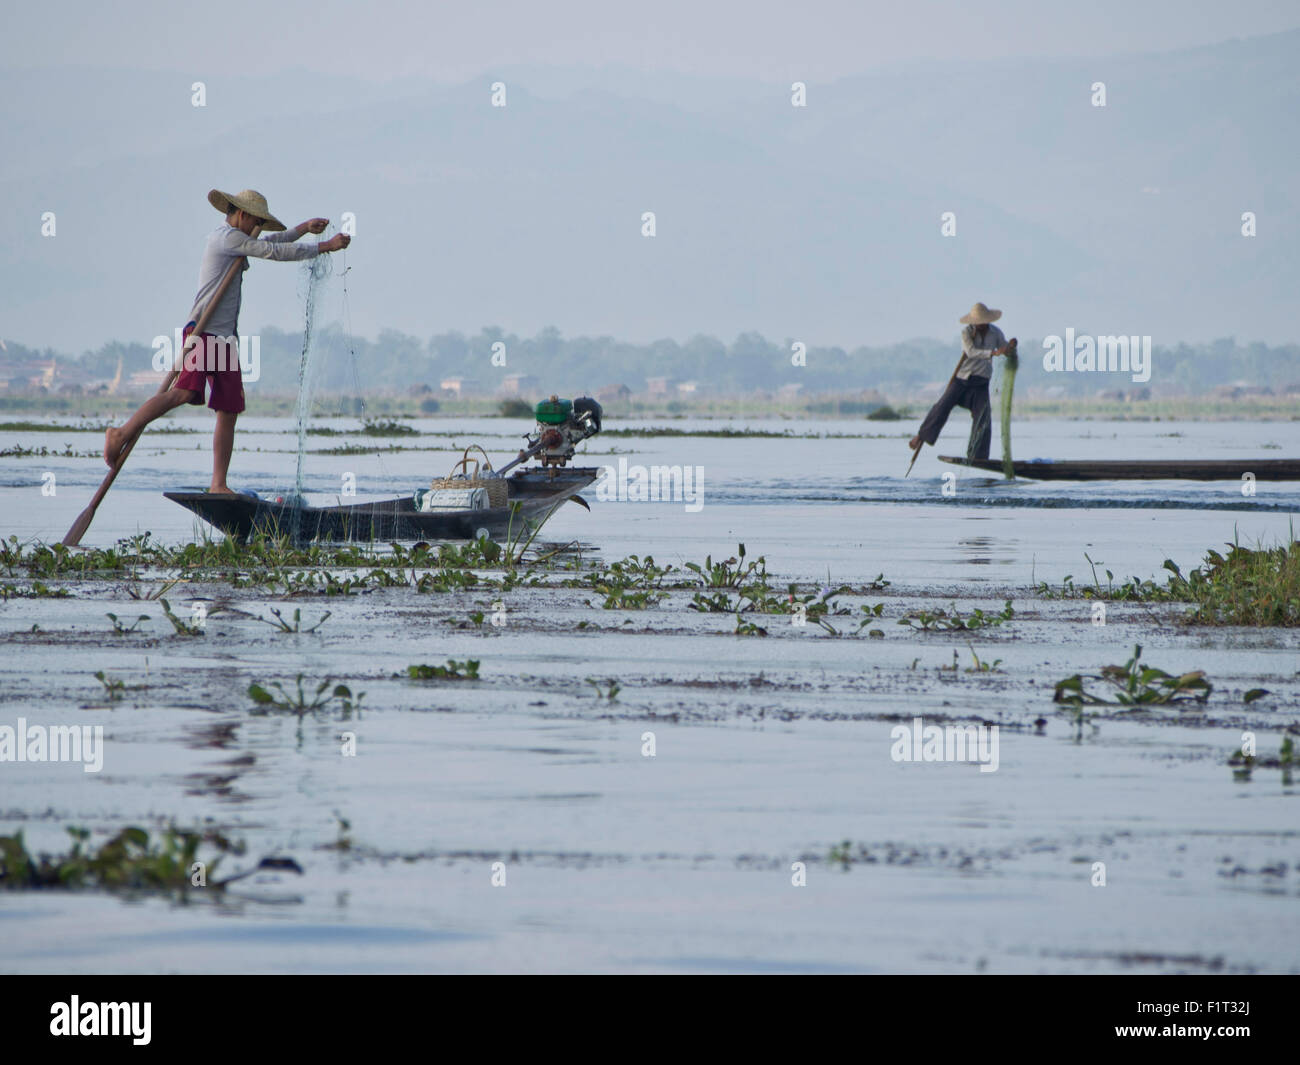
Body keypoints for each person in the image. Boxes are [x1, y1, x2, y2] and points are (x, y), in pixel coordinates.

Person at [103, 188, 351, 494]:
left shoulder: (241, 241)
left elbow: (269, 243)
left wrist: (301, 229)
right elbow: (271, 252)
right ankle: (121, 433)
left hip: (224, 338)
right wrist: (324, 246)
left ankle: (218, 484)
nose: (257, 228)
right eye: (256, 221)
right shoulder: (226, 238)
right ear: (243, 215)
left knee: (229, 409)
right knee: (181, 393)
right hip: (203, 332)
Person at [909, 302, 1017, 461]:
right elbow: (971, 352)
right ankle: (921, 436)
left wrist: (1010, 348)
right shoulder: (967, 332)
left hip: (981, 382)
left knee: (983, 418)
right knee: (942, 407)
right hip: (962, 379)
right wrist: (993, 353)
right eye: (976, 323)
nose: (979, 325)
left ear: (987, 321)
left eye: (981, 322)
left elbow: (1005, 349)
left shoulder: (995, 333)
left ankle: (977, 455)